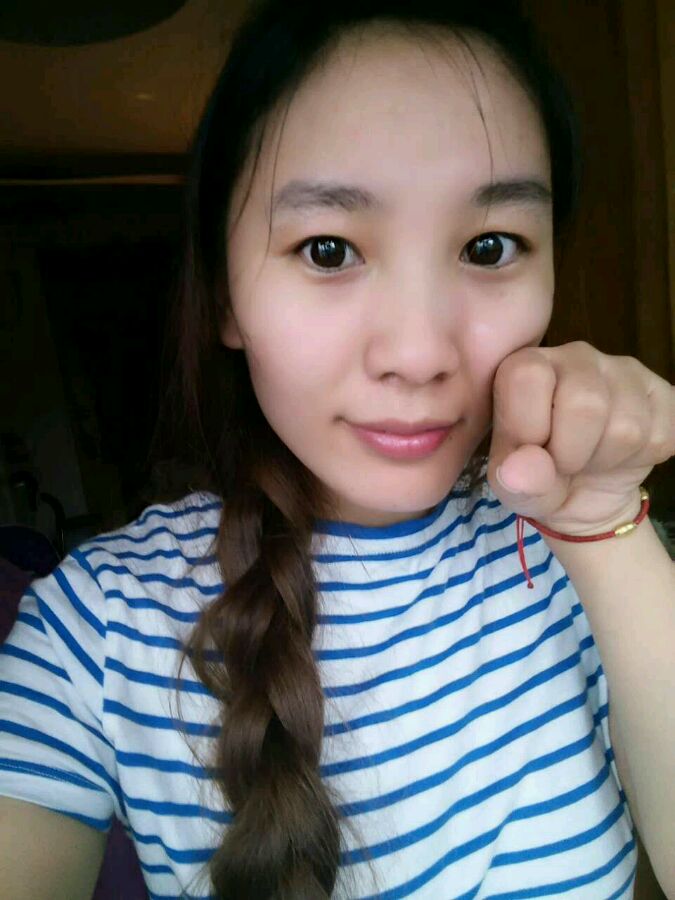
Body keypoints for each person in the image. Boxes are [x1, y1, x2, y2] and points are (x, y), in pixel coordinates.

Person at [1, 1, 673, 898]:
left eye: (489, 246)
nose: (419, 354)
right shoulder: (97, 629)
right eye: (327, 249)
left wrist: (603, 527)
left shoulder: (573, 549)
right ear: (227, 295)